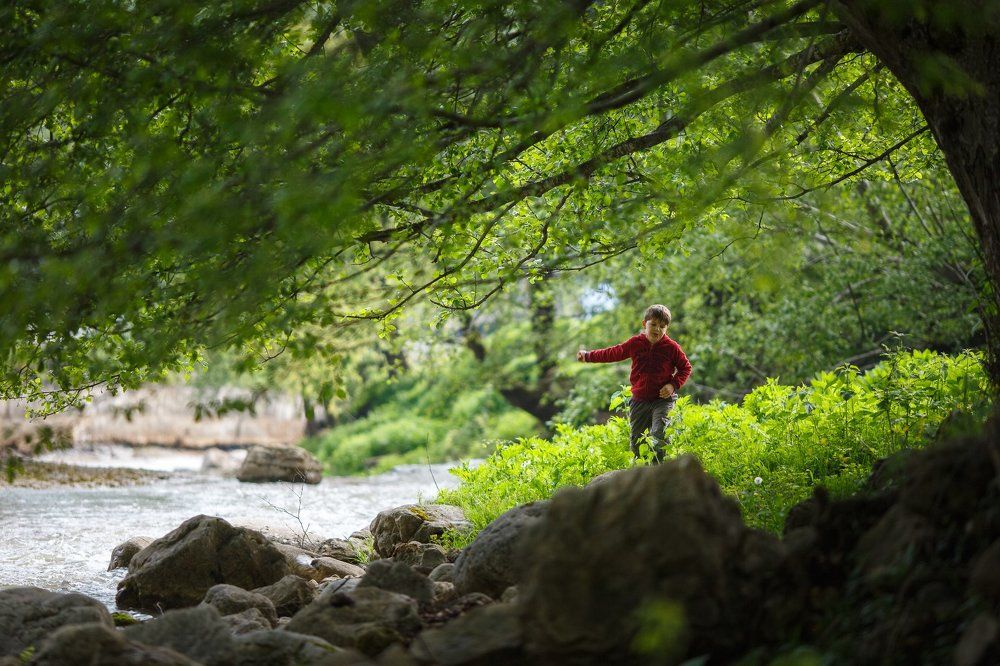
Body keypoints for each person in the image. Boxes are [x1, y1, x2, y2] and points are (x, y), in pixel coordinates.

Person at [577, 304, 692, 463]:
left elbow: (685, 368)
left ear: (667, 328)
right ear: (644, 324)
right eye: (653, 325)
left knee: (660, 434)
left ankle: (659, 469)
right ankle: (643, 474)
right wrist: (588, 356)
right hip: (640, 401)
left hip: (662, 401)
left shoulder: (672, 348)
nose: (657, 329)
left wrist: (673, 385)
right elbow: (613, 353)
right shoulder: (635, 343)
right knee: (638, 442)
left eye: (662, 326)